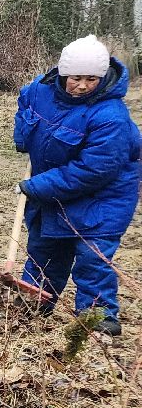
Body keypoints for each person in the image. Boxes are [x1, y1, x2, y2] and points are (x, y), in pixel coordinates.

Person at [14, 34, 141, 335]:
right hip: (57, 193)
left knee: (91, 260)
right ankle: (33, 307)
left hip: (103, 200)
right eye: (75, 78)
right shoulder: (42, 90)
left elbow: (93, 171)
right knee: (45, 249)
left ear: (102, 77)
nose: (82, 85)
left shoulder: (112, 117)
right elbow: (25, 99)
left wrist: (36, 186)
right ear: (62, 73)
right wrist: (23, 135)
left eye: (91, 79)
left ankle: (97, 322)